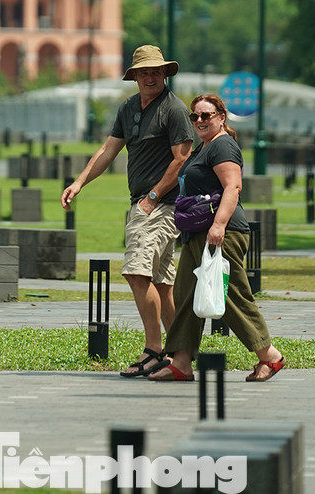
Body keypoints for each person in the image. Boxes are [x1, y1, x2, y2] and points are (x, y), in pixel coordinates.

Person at [61, 44, 192, 378]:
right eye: (143, 72)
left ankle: (154, 350)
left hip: (160, 206)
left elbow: (182, 157)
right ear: (134, 76)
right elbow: (108, 150)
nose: (150, 77)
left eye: (155, 71)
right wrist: (79, 182)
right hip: (144, 203)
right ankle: (181, 356)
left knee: (136, 272)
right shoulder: (130, 108)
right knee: (161, 284)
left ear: (165, 74)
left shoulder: (173, 109)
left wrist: (152, 196)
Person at [148, 93, 285, 383]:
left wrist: (219, 225)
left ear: (221, 118)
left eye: (206, 115)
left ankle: (269, 355)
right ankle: (182, 362)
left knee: (231, 296)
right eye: (194, 116)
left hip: (223, 233)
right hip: (199, 234)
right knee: (186, 295)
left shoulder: (222, 145)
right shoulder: (204, 147)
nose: (199, 120)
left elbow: (233, 187)